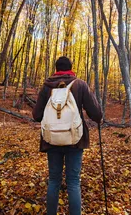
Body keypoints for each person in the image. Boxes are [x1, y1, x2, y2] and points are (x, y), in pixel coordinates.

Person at [32, 56, 102, 215]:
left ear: (56, 69)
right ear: (71, 67)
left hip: (52, 140)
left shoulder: (47, 86)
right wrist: (98, 118)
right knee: (73, 182)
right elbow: (96, 113)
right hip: (75, 140)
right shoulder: (80, 85)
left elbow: (36, 115)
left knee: (54, 180)